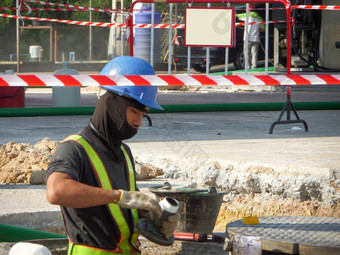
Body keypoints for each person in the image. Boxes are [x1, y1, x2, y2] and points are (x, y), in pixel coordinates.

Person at [46, 56, 179, 254]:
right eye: (134, 111)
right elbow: (56, 191)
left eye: (143, 114)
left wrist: (152, 218)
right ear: (111, 102)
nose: (138, 122)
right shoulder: (74, 149)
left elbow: (123, 211)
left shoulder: (124, 152)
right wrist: (118, 196)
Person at [237, 5, 265, 69]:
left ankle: (247, 66)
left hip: (247, 38)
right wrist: (256, 29)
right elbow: (263, 29)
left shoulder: (247, 15)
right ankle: (254, 66)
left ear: (249, 10)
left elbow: (236, 15)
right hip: (256, 38)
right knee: (254, 53)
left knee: (246, 53)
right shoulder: (259, 18)